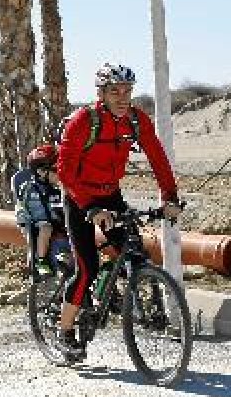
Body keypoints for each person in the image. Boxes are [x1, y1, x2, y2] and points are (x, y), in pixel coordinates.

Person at [53, 63, 182, 359]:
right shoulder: (84, 121)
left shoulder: (136, 120)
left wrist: (170, 197)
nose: (123, 97)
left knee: (134, 251)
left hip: (111, 193)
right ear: (101, 93)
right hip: (79, 197)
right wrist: (90, 208)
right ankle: (64, 331)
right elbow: (65, 172)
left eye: (127, 91)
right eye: (115, 91)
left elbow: (158, 158)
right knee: (87, 267)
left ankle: (114, 298)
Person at [13, 143, 65, 279]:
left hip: (55, 220)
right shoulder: (29, 189)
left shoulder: (57, 188)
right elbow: (25, 208)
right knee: (46, 228)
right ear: (41, 172)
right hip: (35, 222)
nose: (60, 174)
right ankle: (41, 261)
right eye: (56, 170)